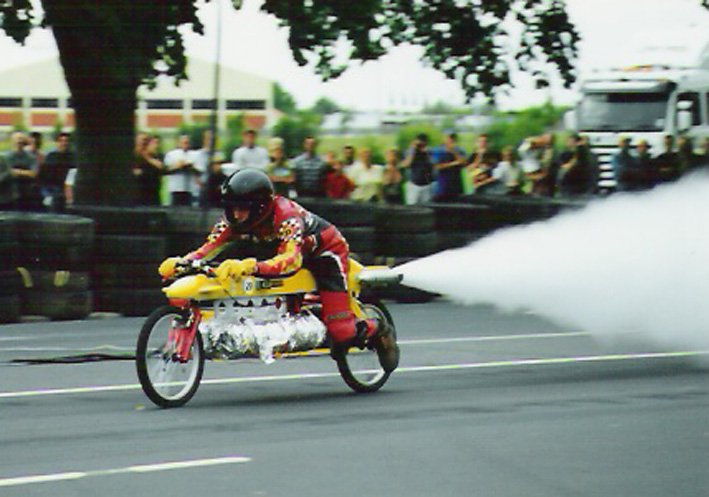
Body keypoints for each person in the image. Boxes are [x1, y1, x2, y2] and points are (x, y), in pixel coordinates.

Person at [158, 168, 399, 370]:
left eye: (242, 207)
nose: (236, 214)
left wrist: (251, 266)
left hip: (325, 254)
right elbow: (208, 247)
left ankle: (378, 330)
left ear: (261, 206)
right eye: (232, 207)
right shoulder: (234, 219)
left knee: (342, 331)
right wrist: (182, 262)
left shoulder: (287, 216)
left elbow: (290, 261)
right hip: (284, 251)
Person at [37, 132, 75, 211]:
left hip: (68, 188)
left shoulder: (73, 157)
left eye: (66, 141)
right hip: (51, 188)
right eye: (60, 141)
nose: (63, 143)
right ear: (56, 143)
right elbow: (43, 176)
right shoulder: (51, 156)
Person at [6, 132, 39, 209]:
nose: (19, 142)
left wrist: (15, 171)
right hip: (10, 192)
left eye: (21, 139)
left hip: (27, 192)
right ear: (12, 141)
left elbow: (34, 174)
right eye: (17, 139)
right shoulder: (5, 157)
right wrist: (25, 172)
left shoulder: (31, 157)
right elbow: (5, 173)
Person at [164, 134, 199, 206]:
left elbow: (199, 170)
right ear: (178, 143)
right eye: (183, 142)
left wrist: (190, 167)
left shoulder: (195, 154)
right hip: (175, 188)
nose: (185, 145)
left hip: (189, 189)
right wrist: (177, 166)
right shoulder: (171, 154)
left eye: (187, 142)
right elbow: (166, 170)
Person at [400, 133, 434, 205]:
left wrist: (425, 152)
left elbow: (433, 163)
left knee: (426, 207)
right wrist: (413, 150)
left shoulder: (429, 152)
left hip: (426, 185)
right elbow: (407, 164)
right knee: (412, 207)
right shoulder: (409, 151)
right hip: (413, 184)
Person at [432, 132, 466, 202]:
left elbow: (463, 163)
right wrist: (453, 163)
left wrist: (453, 152)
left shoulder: (459, 150)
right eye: (448, 138)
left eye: (452, 138)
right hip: (443, 186)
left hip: (456, 185)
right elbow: (436, 166)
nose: (450, 140)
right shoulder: (438, 150)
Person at [133, 134, 164, 205]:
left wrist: (146, 157)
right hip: (138, 193)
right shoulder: (135, 157)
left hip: (153, 193)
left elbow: (161, 167)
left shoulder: (155, 157)